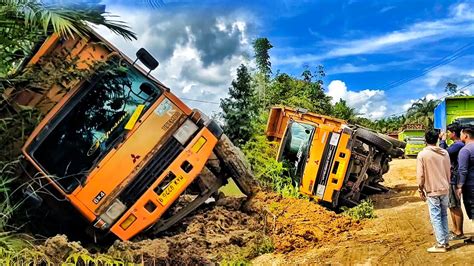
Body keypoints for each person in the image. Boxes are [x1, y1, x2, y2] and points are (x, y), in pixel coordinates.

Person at [417, 129, 451, 253]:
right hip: (445, 189)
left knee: (435, 217)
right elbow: (449, 171)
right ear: (437, 139)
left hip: (432, 190)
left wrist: (420, 189)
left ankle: (441, 244)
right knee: (443, 215)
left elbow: (420, 176)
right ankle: (445, 242)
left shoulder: (422, 154)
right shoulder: (445, 153)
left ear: (425, 140)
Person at [439, 123, 465, 240]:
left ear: (453, 133)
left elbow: (443, 153)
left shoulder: (458, 145)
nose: (447, 134)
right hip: (451, 178)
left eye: (448, 132)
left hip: (454, 179)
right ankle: (455, 230)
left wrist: (442, 140)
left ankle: (459, 232)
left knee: (455, 205)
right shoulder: (456, 144)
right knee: (452, 205)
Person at [457, 127, 474, 244]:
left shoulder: (465, 150)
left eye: (461, 134)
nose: (460, 136)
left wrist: (460, 185)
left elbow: (462, 170)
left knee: (472, 209)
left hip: (470, 185)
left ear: (466, 136)